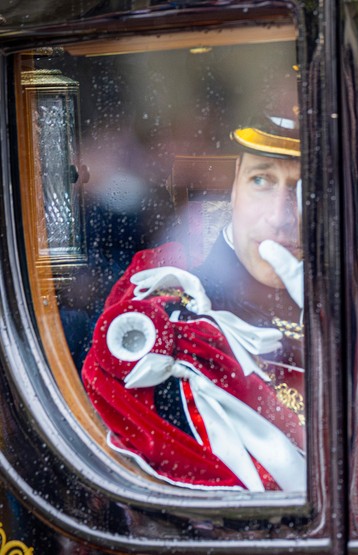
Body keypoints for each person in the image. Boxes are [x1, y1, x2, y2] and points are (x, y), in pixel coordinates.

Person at [81, 107, 306, 492]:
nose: (279, 217)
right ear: (233, 189)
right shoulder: (169, 309)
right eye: (261, 181)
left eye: (307, 189)